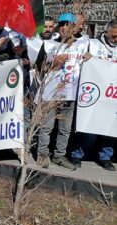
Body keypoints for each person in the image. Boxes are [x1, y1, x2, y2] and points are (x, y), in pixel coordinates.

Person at [33, 13, 90, 170]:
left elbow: (90, 63)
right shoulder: (49, 45)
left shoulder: (83, 44)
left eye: (68, 25)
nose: (65, 28)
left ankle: (59, 155)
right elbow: (38, 67)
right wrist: (51, 63)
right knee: (47, 126)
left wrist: (90, 57)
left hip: (71, 93)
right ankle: (42, 154)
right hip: (51, 94)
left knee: (65, 129)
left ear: (74, 28)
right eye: (62, 25)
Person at [69, 19, 116, 171]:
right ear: (107, 31)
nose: (116, 39)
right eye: (114, 35)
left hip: (111, 95)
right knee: (87, 125)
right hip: (93, 92)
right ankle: (77, 154)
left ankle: (105, 156)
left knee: (110, 127)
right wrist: (88, 58)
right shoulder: (93, 44)